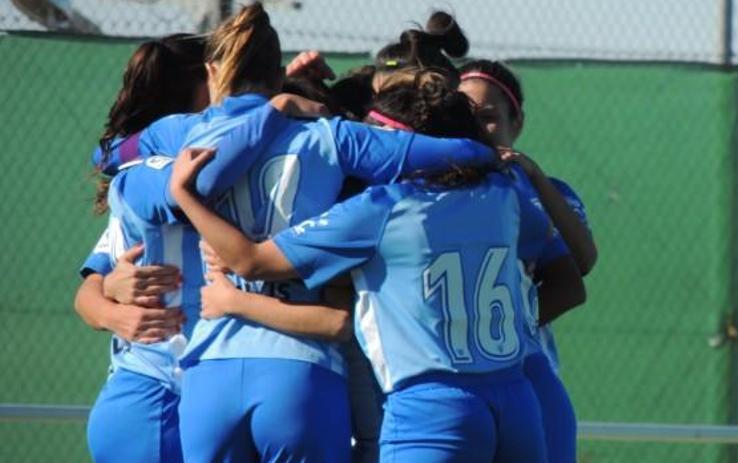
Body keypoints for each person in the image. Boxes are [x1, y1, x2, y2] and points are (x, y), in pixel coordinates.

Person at [167, 68, 585, 462]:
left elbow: (250, 261)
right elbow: (573, 271)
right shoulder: (500, 192)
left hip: (431, 407)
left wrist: (186, 197)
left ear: (400, 143)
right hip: (516, 400)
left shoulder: (380, 209)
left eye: (376, 135)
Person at [74, 33, 208, 463]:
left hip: (195, 401)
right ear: (203, 83)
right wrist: (115, 307)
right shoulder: (154, 177)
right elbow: (87, 295)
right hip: (158, 402)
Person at [459, 59, 599, 462]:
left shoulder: (546, 194)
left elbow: (580, 270)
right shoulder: (429, 189)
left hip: (525, 372)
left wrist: (497, 325)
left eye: (488, 117)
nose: (476, 128)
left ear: (515, 123)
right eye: (464, 115)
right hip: (455, 383)